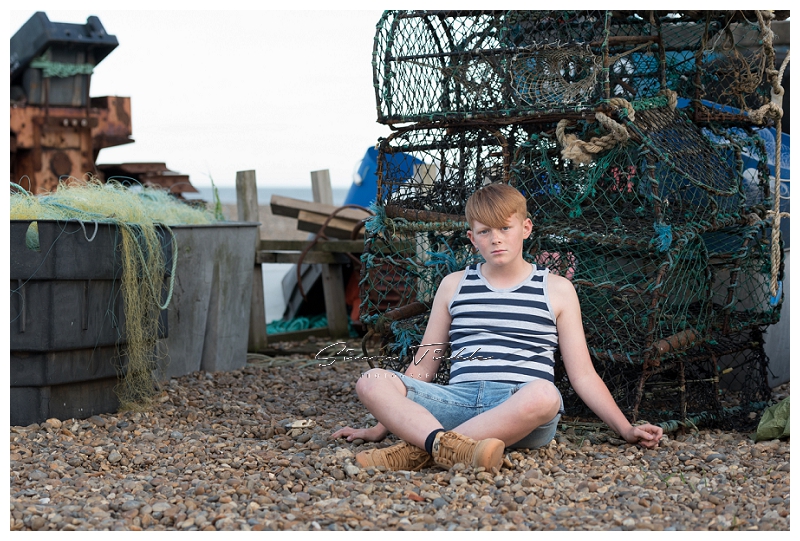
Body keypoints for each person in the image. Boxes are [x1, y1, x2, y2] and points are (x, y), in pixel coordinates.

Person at [332, 182, 662, 472]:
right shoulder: (453, 285)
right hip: (456, 403)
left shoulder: (557, 288)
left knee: (546, 394)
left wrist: (625, 428)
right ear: (472, 238)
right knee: (371, 380)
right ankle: (451, 447)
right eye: (485, 231)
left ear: (526, 228)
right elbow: (423, 365)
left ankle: (421, 449)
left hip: (521, 410)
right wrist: (379, 427)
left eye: (505, 228)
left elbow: (583, 375)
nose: (496, 239)